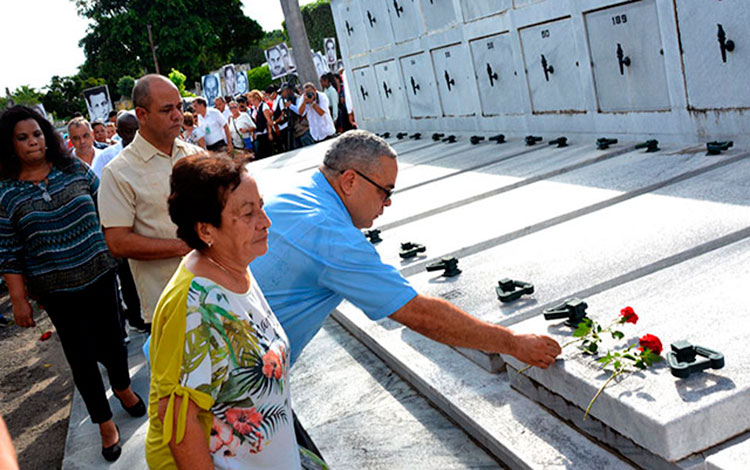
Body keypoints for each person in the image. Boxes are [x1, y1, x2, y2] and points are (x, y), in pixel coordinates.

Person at [251, 131, 562, 369]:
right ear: (349, 181)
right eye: (384, 191)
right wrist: (512, 342)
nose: (387, 203)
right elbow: (417, 313)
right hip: (229, 389)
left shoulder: (296, 196)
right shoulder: (332, 235)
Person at [146, 153, 326, 470]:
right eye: (248, 213)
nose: (265, 221)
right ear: (206, 231)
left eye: (261, 206)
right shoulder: (195, 307)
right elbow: (179, 429)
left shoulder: (234, 265)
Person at [0, 106, 144, 462]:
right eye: (22, 138)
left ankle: (123, 388)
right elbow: (8, 251)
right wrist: (19, 299)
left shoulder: (73, 168)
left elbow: (107, 204)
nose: (32, 142)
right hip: (57, 291)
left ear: (47, 136)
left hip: (99, 273)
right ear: (9, 144)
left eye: (36, 134)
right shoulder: (5, 194)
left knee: (113, 341)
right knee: (80, 357)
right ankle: (104, 422)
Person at [99, 74, 203, 326]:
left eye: (179, 107)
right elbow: (118, 243)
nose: (178, 116)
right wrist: (182, 247)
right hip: (169, 302)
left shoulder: (197, 156)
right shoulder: (118, 172)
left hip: (218, 290)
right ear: (142, 115)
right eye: (167, 110)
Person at [90, 112, 148, 335]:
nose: (134, 135)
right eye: (129, 131)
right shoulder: (108, 157)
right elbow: (99, 190)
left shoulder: (146, 150)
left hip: (144, 221)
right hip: (121, 222)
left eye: (137, 129)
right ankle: (136, 317)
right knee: (128, 275)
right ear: (121, 132)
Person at [91, 112, 139, 178]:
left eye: (136, 130)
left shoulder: (150, 150)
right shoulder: (106, 156)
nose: (134, 135)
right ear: (119, 133)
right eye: (128, 131)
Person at [248, 90, 274, 159]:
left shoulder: (263, 106)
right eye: (251, 101)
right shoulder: (253, 109)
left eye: (254, 100)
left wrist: (270, 133)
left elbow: (268, 121)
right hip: (258, 134)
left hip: (265, 132)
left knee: (268, 152)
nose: (253, 103)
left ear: (258, 99)